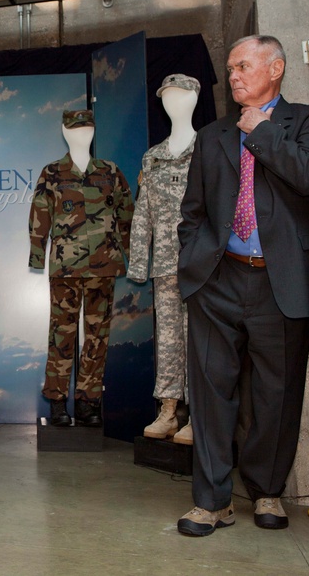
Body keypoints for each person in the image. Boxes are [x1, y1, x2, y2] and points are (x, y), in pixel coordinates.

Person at [175, 35, 309, 536]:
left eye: (243, 66)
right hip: (217, 281)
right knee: (212, 394)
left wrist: (261, 131)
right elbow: (192, 212)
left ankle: (267, 492)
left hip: (281, 284)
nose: (234, 75)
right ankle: (211, 501)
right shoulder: (213, 134)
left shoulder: (307, 120)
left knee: (276, 396)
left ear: (276, 67)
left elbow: (308, 177)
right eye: (231, 67)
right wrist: (194, 263)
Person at [29, 109, 134, 428]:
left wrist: (133, 254)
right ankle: (58, 402)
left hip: (104, 266)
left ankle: (89, 401)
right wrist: (36, 255)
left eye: (87, 128)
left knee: (97, 337)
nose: (81, 134)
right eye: (75, 129)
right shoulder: (52, 172)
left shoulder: (110, 171)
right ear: (64, 131)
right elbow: (39, 216)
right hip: (65, 268)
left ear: (93, 131)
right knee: (61, 335)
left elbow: (127, 214)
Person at [129, 74, 199, 445]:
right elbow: (143, 213)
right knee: (169, 339)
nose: (172, 101)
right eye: (166, 95)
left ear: (194, 98)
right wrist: (139, 262)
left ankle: (199, 415)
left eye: (180, 94)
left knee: (200, 340)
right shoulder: (152, 156)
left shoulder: (208, 148)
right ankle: (169, 410)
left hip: (203, 264)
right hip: (165, 266)